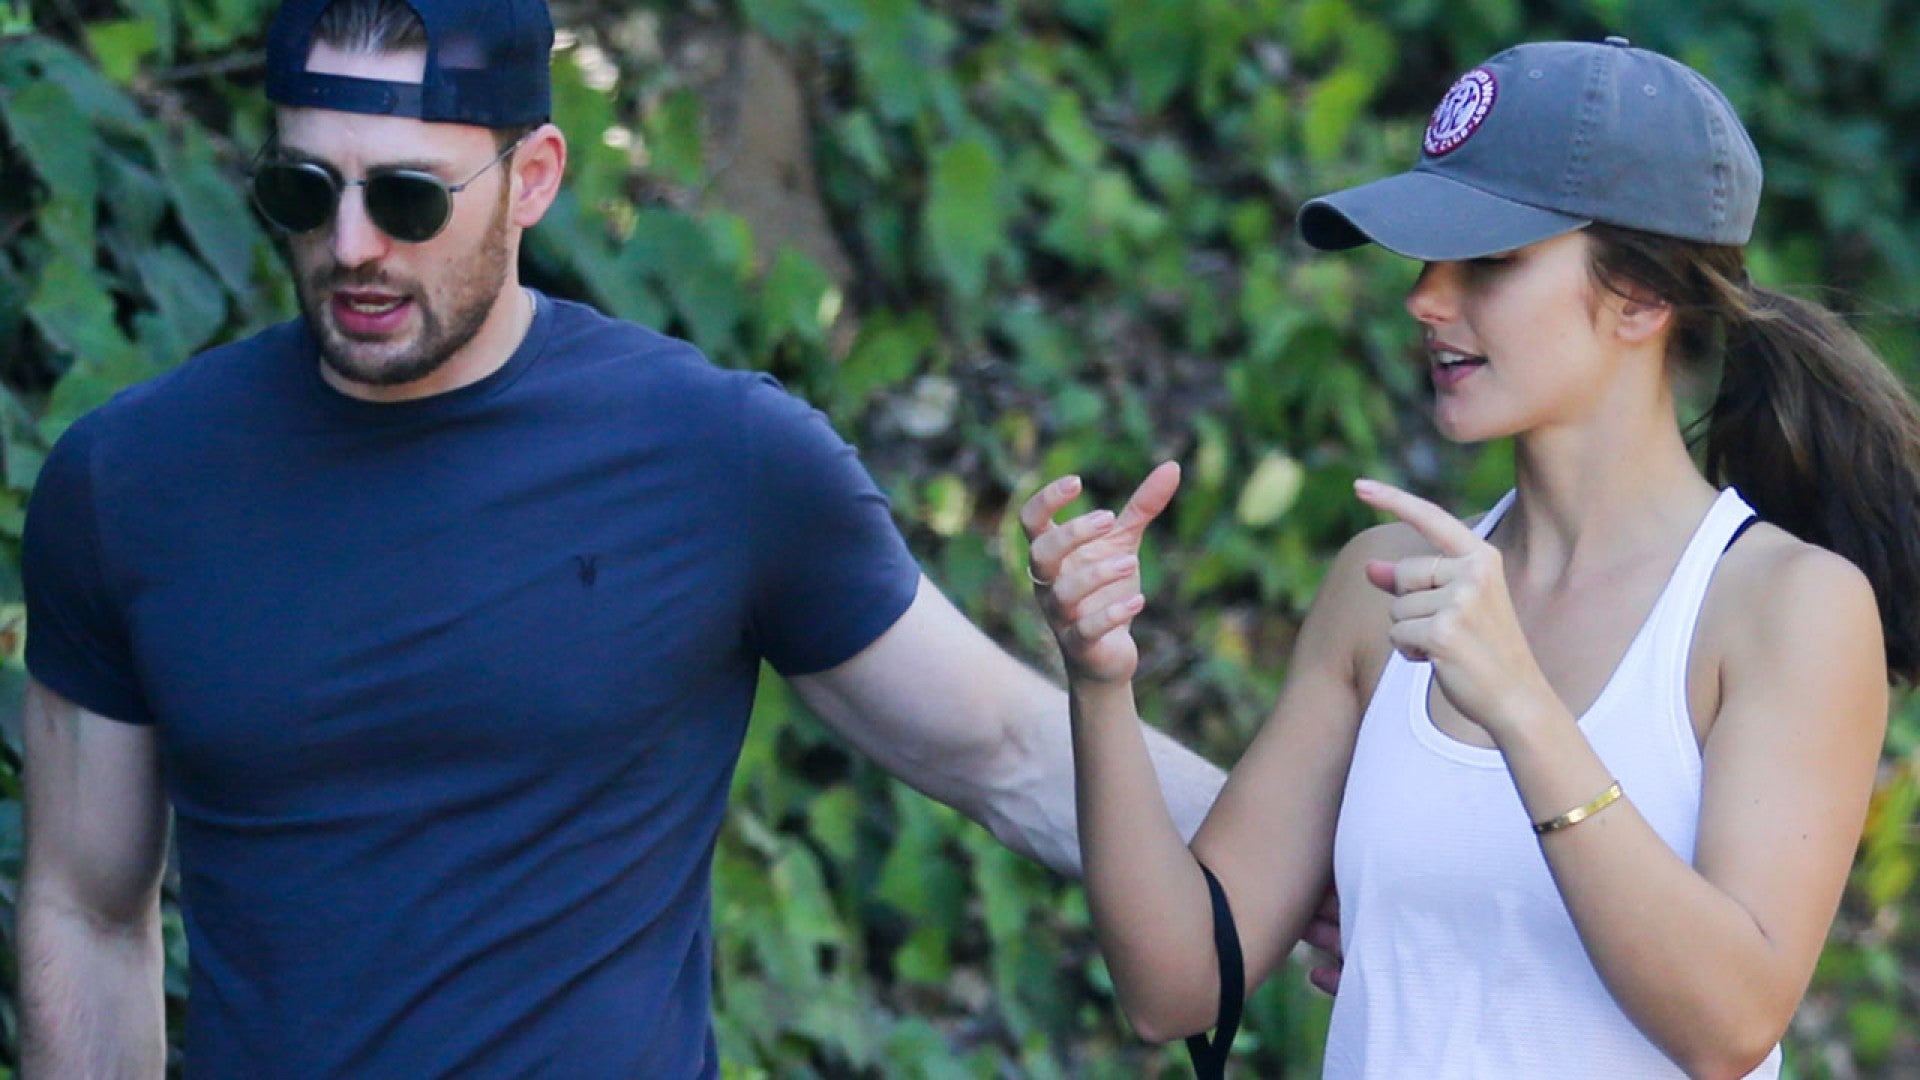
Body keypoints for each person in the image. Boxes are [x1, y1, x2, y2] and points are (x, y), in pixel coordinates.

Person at [14, 1, 1240, 1077]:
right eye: (303, 190)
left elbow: (1008, 751)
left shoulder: (719, 457)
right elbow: (85, 906)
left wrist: (1318, 862)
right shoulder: (132, 482)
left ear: (535, 177)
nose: (351, 246)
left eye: (407, 197)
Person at [1023, 36, 1920, 1078]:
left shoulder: (1786, 606)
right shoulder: (1383, 587)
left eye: (1489, 261)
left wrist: (1523, 708)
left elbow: (1729, 1026)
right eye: (1425, 259)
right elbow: (1177, 984)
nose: (1426, 300)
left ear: (1641, 296)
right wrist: (1100, 685)